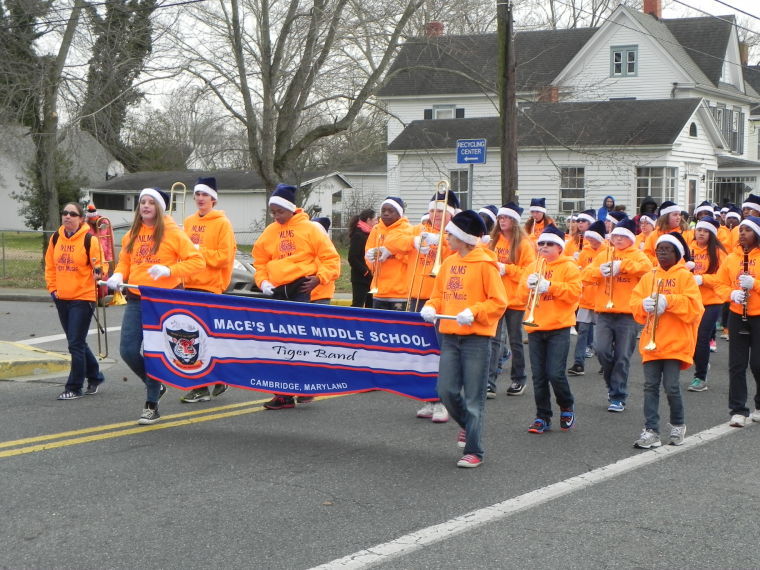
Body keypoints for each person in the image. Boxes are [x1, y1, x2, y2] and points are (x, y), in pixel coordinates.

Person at [107, 188, 205, 424]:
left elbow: (197, 261)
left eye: (151, 202)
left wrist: (170, 270)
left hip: (164, 300)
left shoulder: (173, 232)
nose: (146, 206)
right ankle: (156, 384)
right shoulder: (132, 234)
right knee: (128, 351)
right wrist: (118, 277)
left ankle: (151, 404)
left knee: (153, 352)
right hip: (137, 297)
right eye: (143, 202)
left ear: (160, 207)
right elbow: (125, 263)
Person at [420, 210, 508, 468]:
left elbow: (498, 302)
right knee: (445, 391)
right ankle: (469, 425)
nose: (446, 237)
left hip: (476, 339)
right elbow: (439, 295)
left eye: (450, 233)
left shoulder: (485, 264)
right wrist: (431, 306)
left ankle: (474, 450)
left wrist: (474, 312)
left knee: (473, 397)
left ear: (464, 237)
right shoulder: (447, 263)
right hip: (449, 336)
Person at [252, 183, 341, 410]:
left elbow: (332, 259)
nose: (276, 216)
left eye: (279, 211)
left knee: (298, 341)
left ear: (291, 208)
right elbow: (260, 261)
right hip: (277, 291)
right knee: (278, 342)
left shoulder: (310, 229)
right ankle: (284, 393)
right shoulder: (269, 232)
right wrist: (262, 282)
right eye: (272, 212)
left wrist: (319, 278)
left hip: (301, 289)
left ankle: (299, 387)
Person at [630, 232, 703, 448]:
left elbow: (695, 308)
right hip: (652, 341)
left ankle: (678, 424)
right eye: (659, 248)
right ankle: (651, 430)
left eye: (667, 249)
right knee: (650, 386)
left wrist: (668, 301)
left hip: (676, 341)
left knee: (671, 386)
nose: (661, 252)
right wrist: (643, 305)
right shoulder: (648, 277)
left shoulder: (685, 277)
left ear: (677, 254)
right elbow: (634, 304)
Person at [583, 218, 652, 412]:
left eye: (623, 236)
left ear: (630, 238)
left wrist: (623, 266)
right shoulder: (604, 254)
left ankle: (618, 395)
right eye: (615, 235)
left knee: (622, 356)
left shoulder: (637, 255)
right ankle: (613, 385)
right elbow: (585, 276)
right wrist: (599, 271)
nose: (618, 239)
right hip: (604, 312)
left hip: (627, 314)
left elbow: (648, 270)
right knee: (602, 350)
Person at [517, 224, 581, 434]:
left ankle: (566, 404)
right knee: (538, 375)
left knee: (555, 373)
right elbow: (519, 297)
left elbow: (574, 294)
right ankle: (542, 416)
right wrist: (528, 286)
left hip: (559, 327)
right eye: (542, 243)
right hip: (535, 326)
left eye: (550, 244)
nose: (544, 247)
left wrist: (549, 286)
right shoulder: (532, 267)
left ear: (560, 248)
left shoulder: (569, 267)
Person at [179, 177, 237, 404]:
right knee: (192, 338)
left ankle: (202, 386)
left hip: (210, 287)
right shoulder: (189, 222)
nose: (201, 198)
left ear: (213, 199)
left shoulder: (223, 223)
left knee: (199, 339)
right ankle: (216, 378)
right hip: (188, 286)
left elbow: (224, 258)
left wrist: (198, 250)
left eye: (205, 195)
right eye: (197, 194)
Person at [44, 202, 105, 400]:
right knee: (76, 341)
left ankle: (74, 386)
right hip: (62, 297)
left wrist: (99, 273)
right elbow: (50, 266)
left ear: (81, 218)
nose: (67, 216)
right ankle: (95, 376)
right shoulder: (55, 238)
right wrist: (53, 289)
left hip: (83, 298)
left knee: (75, 343)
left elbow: (100, 265)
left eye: (72, 214)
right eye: (65, 213)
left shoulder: (89, 240)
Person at [410, 190, 459, 423]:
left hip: (444, 299)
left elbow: (466, 252)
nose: (434, 215)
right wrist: (414, 242)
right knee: (424, 352)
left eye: (440, 211)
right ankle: (429, 398)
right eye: (431, 210)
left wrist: (441, 241)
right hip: (420, 297)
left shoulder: (457, 232)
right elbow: (396, 239)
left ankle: (444, 401)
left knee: (443, 352)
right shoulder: (421, 230)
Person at [487, 201, 535, 396]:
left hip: (515, 298)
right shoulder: (493, 241)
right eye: (500, 217)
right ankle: (490, 381)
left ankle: (519, 379)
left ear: (514, 221)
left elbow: (529, 271)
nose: (502, 220)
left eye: (506, 217)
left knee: (515, 340)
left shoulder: (523, 244)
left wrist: (507, 269)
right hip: (496, 296)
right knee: (494, 339)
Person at [716, 216, 760, 427]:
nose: (742, 233)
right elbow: (719, 284)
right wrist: (732, 294)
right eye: (740, 230)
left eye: (747, 230)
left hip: (759, 315)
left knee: (758, 363)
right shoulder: (732, 258)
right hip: (737, 314)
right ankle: (738, 409)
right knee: (736, 364)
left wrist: (755, 284)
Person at [687, 216, 729, 392]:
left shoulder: (719, 252)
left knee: (702, 338)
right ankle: (702, 365)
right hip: (691, 300)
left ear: (712, 234)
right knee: (692, 339)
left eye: (705, 231)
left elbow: (722, 278)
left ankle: (700, 377)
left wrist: (702, 279)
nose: (701, 233)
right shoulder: (688, 249)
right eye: (699, 230)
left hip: (712, 301)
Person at [568, 219, 606, 376]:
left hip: (600, 299)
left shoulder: (607, 252)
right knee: (582, 330)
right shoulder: (585, 251)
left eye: (593, 239)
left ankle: (605, 361)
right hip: (585, 297)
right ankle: (578, 363)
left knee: (600, 336)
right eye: (589, 239)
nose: (590, 241)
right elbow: (581, 272)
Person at [365, 196, 413, 311]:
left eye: (390, 211)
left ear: (399, 214)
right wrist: (371, 258)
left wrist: (392, 253)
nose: (386, 214)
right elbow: (368, 254)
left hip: (401, 292)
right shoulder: (376, 229)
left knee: (399, 327)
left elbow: (411, 259)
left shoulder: (409, 230)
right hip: (379, 291)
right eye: (383, 211)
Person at [348, 209, 376, 308]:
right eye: (375, 219)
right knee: (357, 305)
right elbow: (352, 258)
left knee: (371, 306)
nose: (376, 222)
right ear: (369, 220)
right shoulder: (358, 235)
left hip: (371, 279)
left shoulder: (371, 234)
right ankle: (352, 323)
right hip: (360, 278)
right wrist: (366, 272)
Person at [309, 217, 341, 304]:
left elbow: (332, 267)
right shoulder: (306, 246)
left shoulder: (326, 248)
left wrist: (319, 278)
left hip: (321, 295)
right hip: (307, 294)